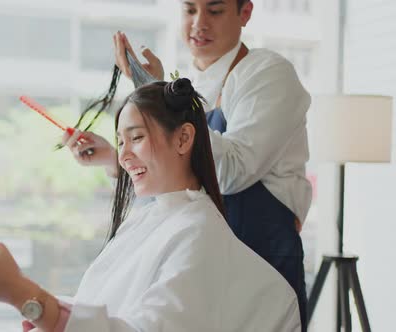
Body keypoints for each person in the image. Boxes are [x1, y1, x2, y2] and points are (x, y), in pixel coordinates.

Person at [0, 79, 301, 332]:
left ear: (184, 137)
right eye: (119, 142)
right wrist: (18, 291)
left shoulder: (197, 234)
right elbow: (101, 310)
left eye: (136, 138)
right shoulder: (154, 218)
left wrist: (20, 293)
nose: (123, 157)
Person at [63, 1, 311, 328]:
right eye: (190, 10)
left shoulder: (267, 73)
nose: (199, 24)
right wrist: (116, 158)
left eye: (215, 10)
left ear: (245, 13)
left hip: (260, 249)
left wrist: (153, 96)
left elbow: (234, 170)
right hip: (197, 251)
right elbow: (179, 175)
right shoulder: (188, 83)